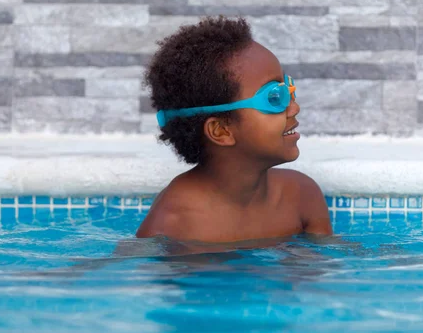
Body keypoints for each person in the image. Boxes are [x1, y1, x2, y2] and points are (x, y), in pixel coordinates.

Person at [136, 16, 332, 243]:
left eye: (288, 89)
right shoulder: (173, 225)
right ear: (221, 130)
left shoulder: (302, 196)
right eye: (274, 97)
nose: (294, 107)